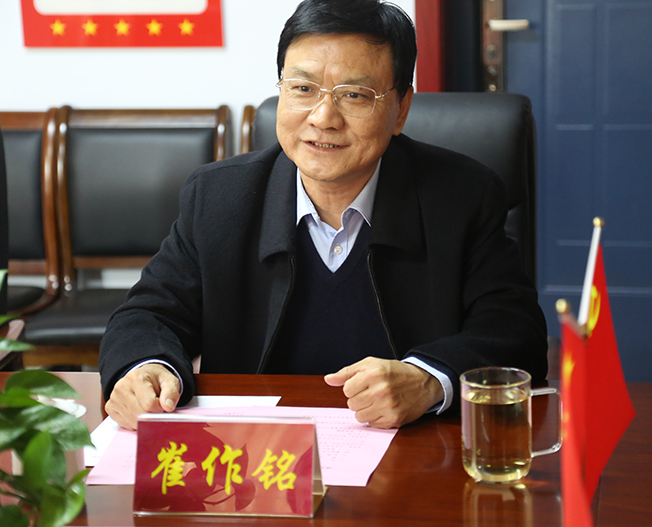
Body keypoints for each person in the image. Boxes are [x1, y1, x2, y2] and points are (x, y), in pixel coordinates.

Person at [99, 0, 548, 431]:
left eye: (354, 94)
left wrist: (429, 379)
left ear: (401, 109)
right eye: (302, 89)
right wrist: (144, 367)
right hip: (258, 458)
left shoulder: (462, 197)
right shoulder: (219, 198)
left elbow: (514, 331)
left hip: (413, 453)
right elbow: (147, 315)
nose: (323, 117)